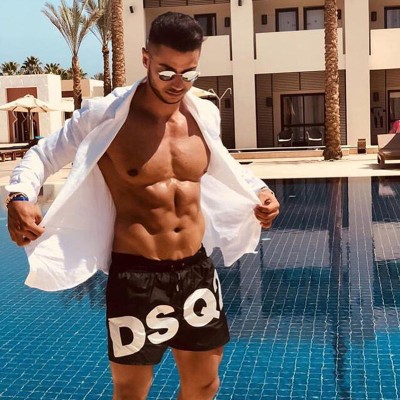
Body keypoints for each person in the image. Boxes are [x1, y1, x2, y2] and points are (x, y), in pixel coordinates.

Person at [5, 12, 279, 400]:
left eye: (189, 73)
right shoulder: (106, 116)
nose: (178, 83)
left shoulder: (203, 114)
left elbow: (224, 164)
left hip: (196, 270)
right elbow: (43, 154)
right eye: (166, 72)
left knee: (205, 383)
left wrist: (261, 192)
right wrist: (19, 196)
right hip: (136, 275)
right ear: (146, 58)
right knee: (133, 390)